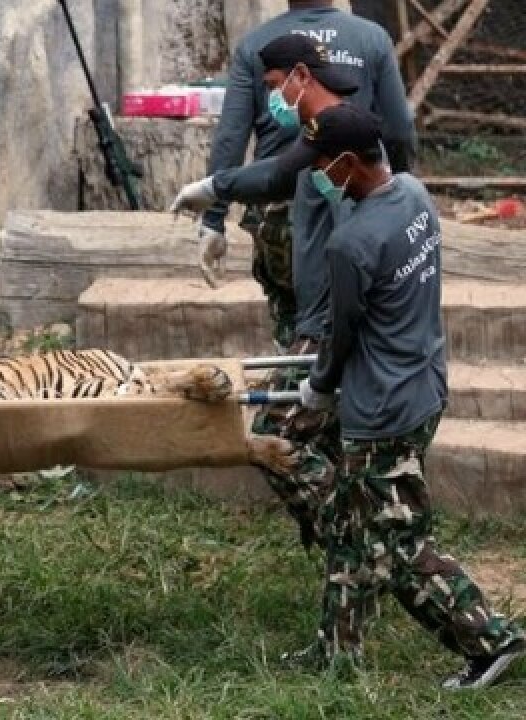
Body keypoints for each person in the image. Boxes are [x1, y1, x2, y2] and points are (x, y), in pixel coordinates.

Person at [295, 102, 524, 689]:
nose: (317, 174)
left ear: (347, 163)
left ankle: (489, 639)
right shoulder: (417, 197)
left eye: (323, 164)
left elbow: (341, 334)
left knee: (396, 543)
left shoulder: (351, 245)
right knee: (351, 528)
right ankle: (336, 653)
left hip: (382, 410)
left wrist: (318, 389)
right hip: (424, 381)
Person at [172, 28, 414, 549]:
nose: (271, 98)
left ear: (302, 77)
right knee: (327, 438)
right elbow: (282, 173)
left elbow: (286, 174)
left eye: (276, 85)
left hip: (328, 319)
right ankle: (357, 546)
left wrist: (324, 367)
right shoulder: (328, 123)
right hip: (323, 312)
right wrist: (216, 194)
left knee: (273, 437)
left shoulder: (336, 146)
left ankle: (356, 538)